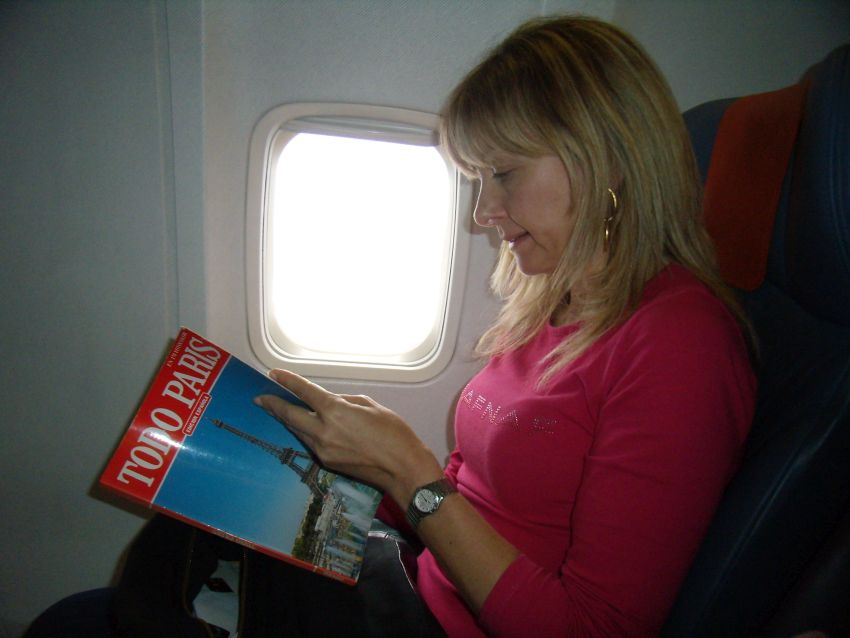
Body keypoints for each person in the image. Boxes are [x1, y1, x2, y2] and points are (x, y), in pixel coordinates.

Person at [252, 14, 757, 638]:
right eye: (477, 178)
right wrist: (353, 459)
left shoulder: (680, 346)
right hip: (416, 586)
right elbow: (468, 500)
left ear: (607, 162)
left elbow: (594, 629)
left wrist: (408, 469)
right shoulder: (552, 302)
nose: (483, 212)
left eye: (505, 173)